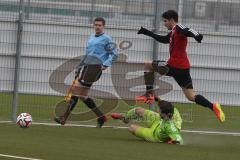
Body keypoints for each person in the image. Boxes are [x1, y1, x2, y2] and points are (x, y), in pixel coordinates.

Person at [135, 10, 225, 123]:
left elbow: (188, 30)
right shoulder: (173, 32)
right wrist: (146, 32)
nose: (164, 23)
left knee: (148, 65)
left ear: (172, 20)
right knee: (191, 96)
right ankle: (213, 107)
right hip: (183, 69)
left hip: (173, 66)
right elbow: (163, 39)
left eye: (165, 21)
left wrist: (197, 35)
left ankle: (149, 94)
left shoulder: (178, 27)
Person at [55, 17, 118, 127]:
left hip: (95, 68)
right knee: (83, 96)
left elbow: (114, 54)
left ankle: (64, 118)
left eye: (100, 25)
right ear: (94, 25)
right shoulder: (91, 37)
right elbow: (87, 54)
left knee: (75, 90)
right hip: (86, 67)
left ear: (103, 26)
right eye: (96, 25)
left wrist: (105, 64)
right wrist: (79, 67)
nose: (97, 27)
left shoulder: (107, 39)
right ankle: (101, 117)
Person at [111, 100, 183, 145]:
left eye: (159, 110)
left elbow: (178, 139)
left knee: (132, 127)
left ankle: (147, 134)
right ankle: (124, 118)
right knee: (138, 110)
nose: (158, 110)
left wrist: (174, 141)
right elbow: (164, 105)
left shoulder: (171, 126)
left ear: (164, 113)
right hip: (158, 120)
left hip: (153, 135)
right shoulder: (170, 109)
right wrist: (156, 98)